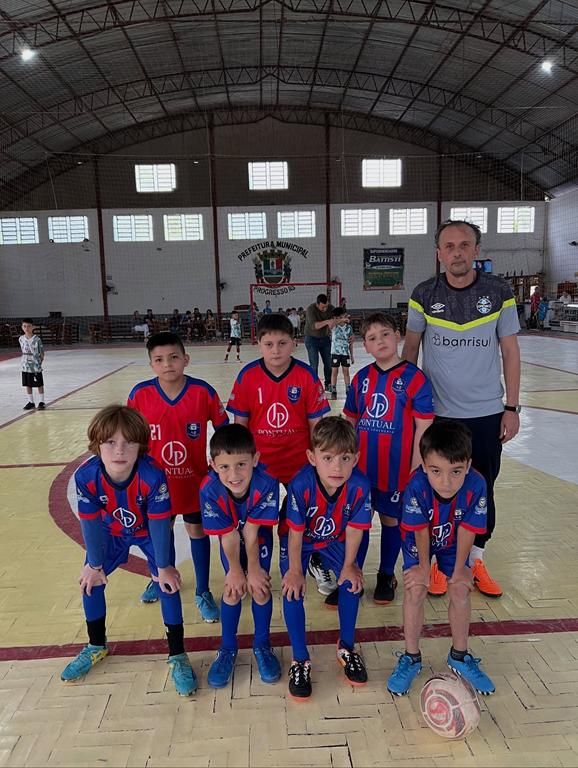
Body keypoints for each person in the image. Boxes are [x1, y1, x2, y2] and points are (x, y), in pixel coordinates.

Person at [403, 219, 521, 599]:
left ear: (476, 251)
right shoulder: (423, 293)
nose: (456, 252)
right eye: (449, 246)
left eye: (464, 245)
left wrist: (512, 406)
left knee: (482, 489)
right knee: (436, 490)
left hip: (486, 413)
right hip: (437, 413)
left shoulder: (499, 292)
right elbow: (410, 351)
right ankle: (440, 563)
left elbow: (510, 351)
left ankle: (475, 561)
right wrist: (407, 403)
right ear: (439, 254)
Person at [60, 405, 197, 696]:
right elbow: (91, 523)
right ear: (97, 445)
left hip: (149, 533)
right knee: (90, 582)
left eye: (128, 442)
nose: (119, 450)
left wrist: (163, 567)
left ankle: (177, 654)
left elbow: (161, 524)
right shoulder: (86, 477)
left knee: (167, 585)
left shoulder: (152, 475)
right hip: (112, 534)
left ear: (141, 447)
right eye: (110, 442)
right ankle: (96, 645)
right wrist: (94, 564)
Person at [227, 314, 335, 597]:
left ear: (294, 343)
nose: (276, 350)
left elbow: (317, 426)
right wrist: (242, 464)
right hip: (261, 465)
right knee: (254, 520)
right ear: (259, 345)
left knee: (307, 514)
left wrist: (319, 461)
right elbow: (240, 426)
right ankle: (253, 568)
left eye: (282, 343)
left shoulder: (306, 376)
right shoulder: (248, 376)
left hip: (299, 461)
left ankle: (314, 559)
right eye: (269, 344)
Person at [387, 420, 495, 697]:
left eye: (455, 471)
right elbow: (420, 529)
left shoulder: (477, 485)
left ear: (468, 466)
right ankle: (411, 657)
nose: (446, 482)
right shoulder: (416, 485)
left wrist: (460, 569)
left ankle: (459, 656)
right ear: (424, 465)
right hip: (418, 537)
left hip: (454, 539)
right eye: (436, 471)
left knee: (460, 589)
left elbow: (470, 528)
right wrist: (424, 567)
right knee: (416, 589)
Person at [127, 331, 229, 621]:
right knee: (161, 533)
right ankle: (161, 577)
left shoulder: (203, 392)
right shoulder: (140, 394)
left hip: (194, 481)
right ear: (151, 364)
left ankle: (202, 590)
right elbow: (128, 435)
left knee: (197, 532)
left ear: (186, 359)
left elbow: (224, 432)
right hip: (155, 486)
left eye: (173, 357)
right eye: (159, 359)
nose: (167, 364)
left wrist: (220, 462)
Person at [338, 312, 433, 607]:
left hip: (397, 470)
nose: (380, 341)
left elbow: (423, 427)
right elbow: (349, 421)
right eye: (372, 338)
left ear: (397, 335)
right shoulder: (361, 379)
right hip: (363, 470)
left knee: (391, 520)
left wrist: (417, 466)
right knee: (358, 522)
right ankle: (350, 574)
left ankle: (384, 574)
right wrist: (345, 461)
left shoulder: (414, 378)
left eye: (385, 334)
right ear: (364, 346)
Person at [280, 417, 372, 700]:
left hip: (338, 538)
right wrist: (295, 570)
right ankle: (299, 659)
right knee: (292, 589)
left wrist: (349, 566)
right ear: (312, 457)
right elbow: (295, 533)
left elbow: (357, 528)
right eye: (328, 457)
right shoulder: (300, 485)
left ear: (356, 458)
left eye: (345, 458)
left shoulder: (359, 485)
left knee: (351, 584)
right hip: (301, 540)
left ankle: (346, 647)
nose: (337, 467)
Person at [200, 424, 281, 688]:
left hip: (259, 537)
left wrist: (254, 569)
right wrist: (235, 570)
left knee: (259, 588)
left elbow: (253, 531)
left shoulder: (267, 482)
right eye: (224, 467)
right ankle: (227, 648)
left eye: (241, 465)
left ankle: (262, 645)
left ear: (255, 460)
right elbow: (229, 535)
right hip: (230, 539)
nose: (234, 474)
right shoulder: (209, 490)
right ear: (213, 465)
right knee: (233, 589)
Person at [304, 294, 335, 392]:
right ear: (317, 304)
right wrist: (327, 321)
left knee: (329, 363)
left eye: (326, 306)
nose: (325, 309)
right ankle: (314, 386)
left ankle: (328, 384)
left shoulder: (331, 308)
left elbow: (336, 319)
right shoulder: (310, 309)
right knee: (314, 364)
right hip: (311, 339)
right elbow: (314, 326)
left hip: (325, 338)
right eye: (323, 307)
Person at [19, 318, 45, 410]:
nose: (26, 328)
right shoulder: (21, 339)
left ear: (33, 327)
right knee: (28, 384)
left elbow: (41, 353)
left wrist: (39, 363)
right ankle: (31, 402)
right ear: (22, 327)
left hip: (35, 365)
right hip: (25, 365)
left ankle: (41, 402)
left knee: (39, 383)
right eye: (24, 326)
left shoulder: (37, 339)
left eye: (29, 326)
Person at [329, 307, 354, 400]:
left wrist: (352, 355)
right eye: (341, 316)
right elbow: (331, 323)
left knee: (346, 371)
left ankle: (348, 389)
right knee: (334, 371)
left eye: (344, 316)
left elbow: (350, 342)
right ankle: (333, 389)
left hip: (345, 353)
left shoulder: (349, 328)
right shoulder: (334, 327)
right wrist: (342, 319)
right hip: (335, 353)